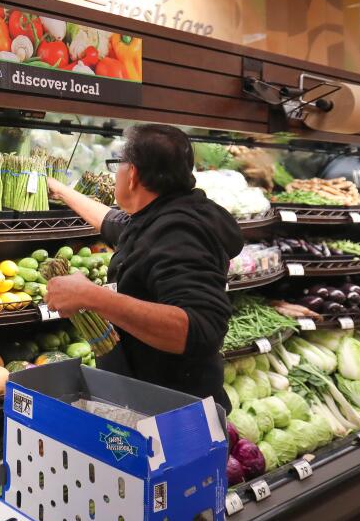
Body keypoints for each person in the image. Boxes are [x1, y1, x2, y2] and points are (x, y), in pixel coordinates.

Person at [44, 124, 244, 405]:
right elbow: (118, 225)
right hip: (154, 395)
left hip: (175, 412)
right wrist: (62, 191)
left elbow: (201, 328)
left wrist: (90, 296)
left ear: (133, 174)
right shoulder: (165, 215)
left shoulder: (179, 234)